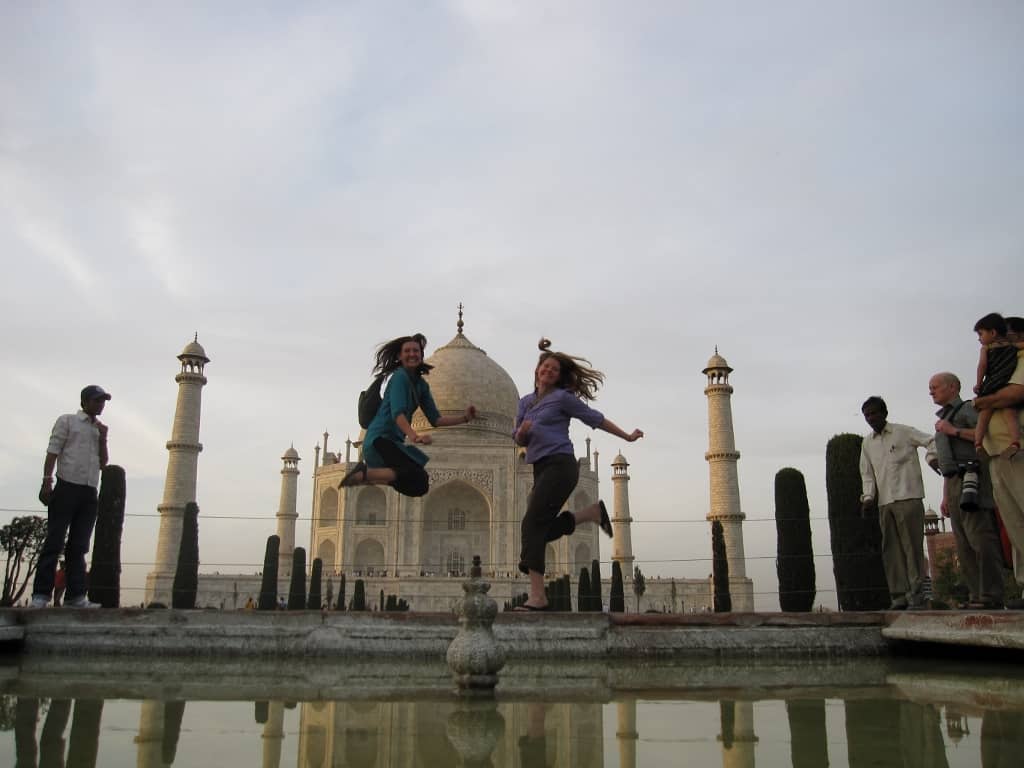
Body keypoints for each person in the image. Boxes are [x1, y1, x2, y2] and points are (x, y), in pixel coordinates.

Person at [513, 338, 644, 611]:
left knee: (530, 527)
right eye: (545, 367)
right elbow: (517, 439)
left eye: (554, 369)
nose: (548, 371)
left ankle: (538, 597)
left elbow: (595, 419)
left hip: (561, 465)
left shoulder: (563, 399)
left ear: (559, 376)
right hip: (539, 468)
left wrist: (627, 436)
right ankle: (591, 513)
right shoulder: (524, 403)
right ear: (537, 370)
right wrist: (522, 433)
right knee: (536, 531)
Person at [340, 333, 477, 496]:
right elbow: (398, 414)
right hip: (379, 439)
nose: (412, 354)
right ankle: (365, 473)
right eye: (407, 351)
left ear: (421, 354)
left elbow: (436, 419)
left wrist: (465, 418)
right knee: (415, 476)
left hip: (394, 442)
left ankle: (367, 475)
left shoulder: (421, 385)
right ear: (400, 355)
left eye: (416, 351)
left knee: (419, 486)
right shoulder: (400, 377)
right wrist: (414, 436)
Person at [30, 385, 111, 609]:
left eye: (103, 401)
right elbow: (53, 451)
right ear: (85, 402)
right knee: (54, 542)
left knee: (79, 546)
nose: (101, 404)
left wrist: (104, 439)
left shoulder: (98, 430)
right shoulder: (67, 421)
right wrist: (47, 480)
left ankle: (76, 596)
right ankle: (41, 595)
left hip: (88, 490)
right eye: (97, 400)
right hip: (66, 486)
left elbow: (103, 463)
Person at [930, 372, 1006, 608]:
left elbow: (986, 435)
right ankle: (976, 596)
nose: (931, 391)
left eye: (935, 387)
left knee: (980, 537)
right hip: (953, 482)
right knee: (963, 544)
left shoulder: (966, 410)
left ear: (952, 387)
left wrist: (954, 431)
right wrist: (945, 495)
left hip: (972, 478)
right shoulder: (945, 417)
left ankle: (991, 595)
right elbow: (947, 461)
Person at [858, 396, 936, 610]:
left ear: (884, 413)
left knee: (912, 547)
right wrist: (868, 497)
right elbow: (866, 473)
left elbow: (931, 440)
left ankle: (916, 593)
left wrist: (932, 458)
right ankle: (899, 595)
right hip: (885, 501)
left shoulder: (903, 432)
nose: (871, 418)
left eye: (874, 413)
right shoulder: (867, 442)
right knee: (891, 549)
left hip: (908, 496)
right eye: (867, 415)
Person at [974, 316, 1024, 610]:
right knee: (1015, 524)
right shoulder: (999, 360)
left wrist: (983, 401)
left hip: (1017, 451)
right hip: (997, 453)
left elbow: (1015, 393)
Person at [972, 313, 1023, 460]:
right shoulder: (1013, 347)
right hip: (1004, 383)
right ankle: (1015, 442)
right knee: (1010, 412)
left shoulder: (986, 348)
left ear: (993, 333)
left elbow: (981, 366)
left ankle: (978, 443)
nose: (979, 339)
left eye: (981, 334)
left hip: (992, 383)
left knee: (984, 414)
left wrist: (979, 383)